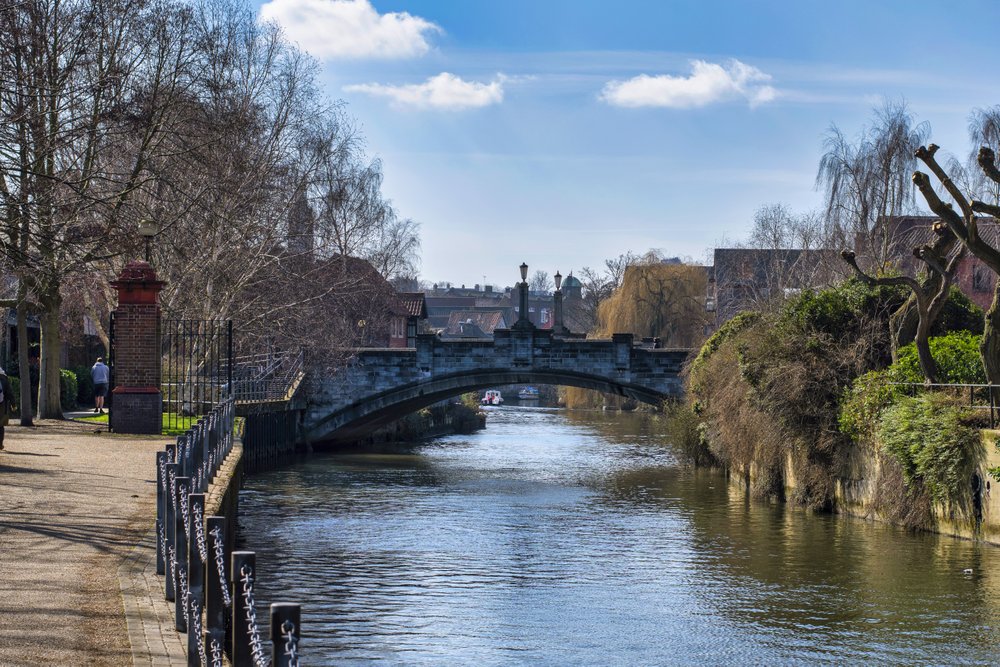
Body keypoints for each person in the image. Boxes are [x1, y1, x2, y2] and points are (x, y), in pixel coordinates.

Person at [0, 367, 16, 450]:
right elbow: (9, 392)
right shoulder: (4, 378)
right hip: (2, 405)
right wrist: (13, 404)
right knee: (0, 425)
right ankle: (0, 444)